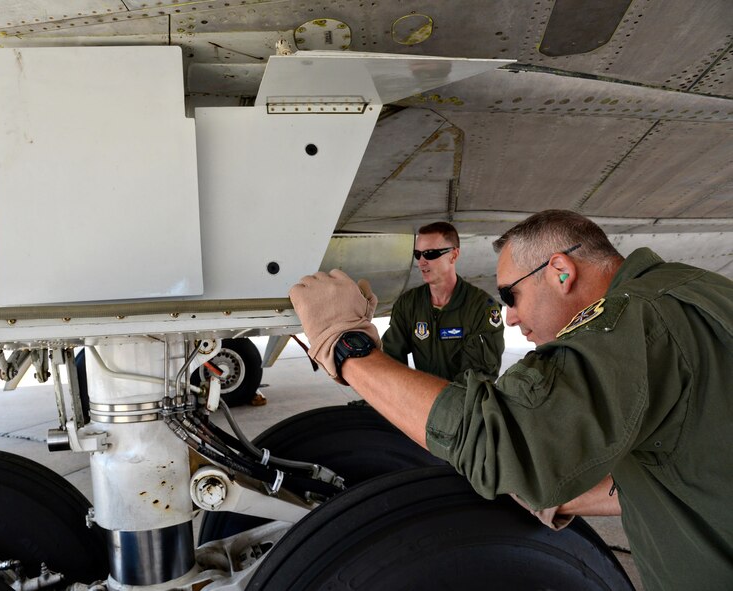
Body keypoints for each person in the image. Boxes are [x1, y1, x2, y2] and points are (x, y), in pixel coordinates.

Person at [289, 210, 733, 590]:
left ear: (561, 271)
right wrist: (555, 498)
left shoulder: (635, 320)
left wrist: (348, 350)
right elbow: (684, 463)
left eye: (511, 295)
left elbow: (504, 438)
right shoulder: (694, 292)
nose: (511, 316)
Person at [382, 222, 505, 382]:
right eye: (418, 254)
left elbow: (479, 376)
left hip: (462, 404)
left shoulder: (481, 307)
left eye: (430, 254)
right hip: (422, 401)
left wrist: (438, 401)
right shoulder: (409, 304)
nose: (421, 262)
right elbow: (391, 359)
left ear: (453, 255)